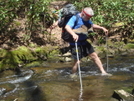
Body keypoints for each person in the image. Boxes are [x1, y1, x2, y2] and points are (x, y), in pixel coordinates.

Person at [64, 7, 112, 77]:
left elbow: (92, 25)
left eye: (89, 18)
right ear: (83, 14)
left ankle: (103, 72)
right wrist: (73, 34)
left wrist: (102, 28)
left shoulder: (87, 19)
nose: (88, 19)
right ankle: (73, 74)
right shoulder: (75, 18)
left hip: (84, 41)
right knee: (77, 61)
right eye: (88, 17)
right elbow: (67, 27)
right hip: (75, 43)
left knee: (94, 56)